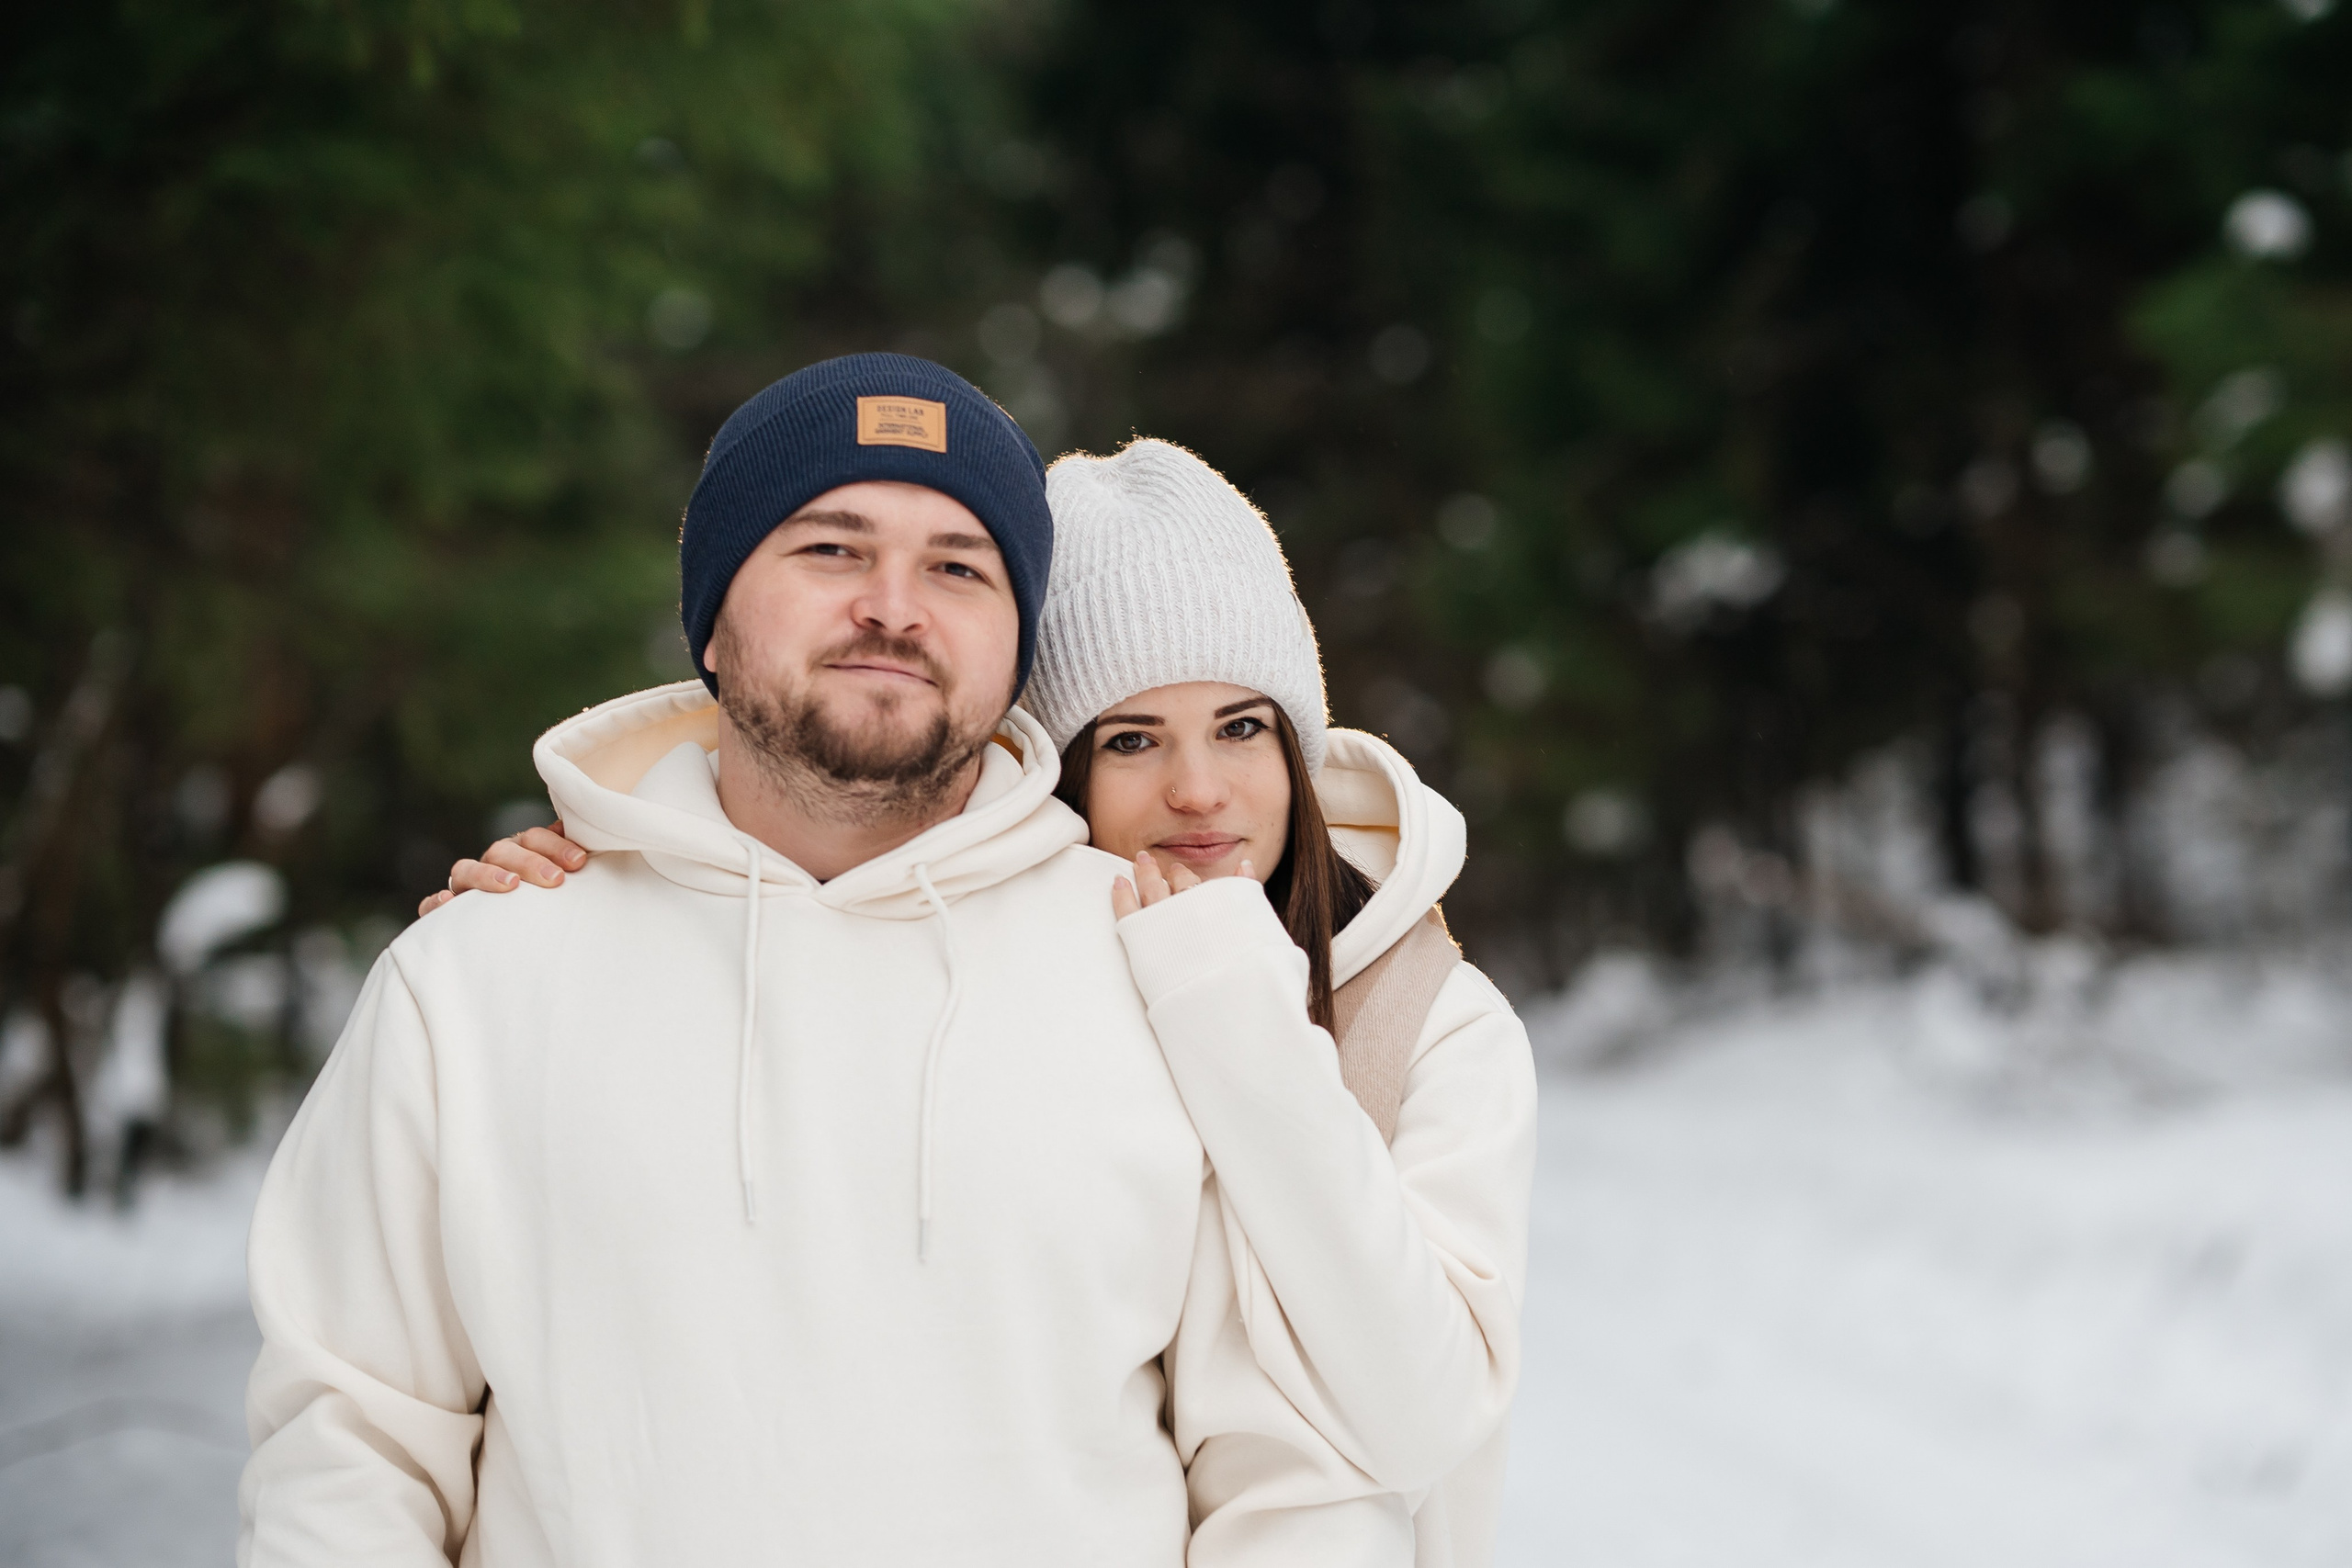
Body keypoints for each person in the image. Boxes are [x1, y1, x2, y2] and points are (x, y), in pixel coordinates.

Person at [240, 355, 1407, 1568]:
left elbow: (1293, 1477)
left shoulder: (1173, 968)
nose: (895, 607)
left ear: (1019, 645)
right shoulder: (481, 976)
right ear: (713, 613)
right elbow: (351, 1443)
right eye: (831, 549)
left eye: (959, 566)